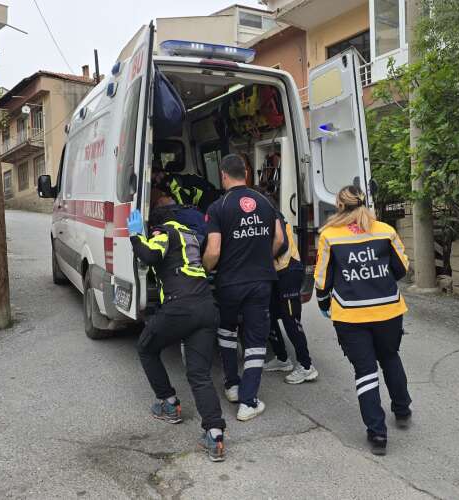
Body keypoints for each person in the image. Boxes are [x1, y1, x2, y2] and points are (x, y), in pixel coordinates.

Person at [314, 185, 412, 456]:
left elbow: (322, 280)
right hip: (389, 310)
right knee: (390, 357)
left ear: (339, 206)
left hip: (350, 314)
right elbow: (402, 268)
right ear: (364, 203)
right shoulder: (385, 230)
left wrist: (323, 304)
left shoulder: (329, 236)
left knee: (365, 370)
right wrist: (377, 279)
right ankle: (402, 410)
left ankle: (377, 434)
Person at [127, 206, 226, 462]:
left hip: (179, 307)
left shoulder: (164, 232)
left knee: (146, 348)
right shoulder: (191, 235)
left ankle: (168, 402)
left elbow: (150, 256)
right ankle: (214, 435)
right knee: (199, 374)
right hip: (206, 306)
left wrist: (136, 236)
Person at [203, 154, 284, 422]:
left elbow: (213, 250)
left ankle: (232, 386)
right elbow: (279, 239)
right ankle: (249, 402)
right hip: (260, 281)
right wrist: (262, 259)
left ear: (223, 175)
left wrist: (204, 270)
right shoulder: (265, 202)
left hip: (229, 282)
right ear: (246, 174)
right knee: (255, 338)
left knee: (227, 330)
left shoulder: (218, 207)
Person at [263, 206, 318, 385]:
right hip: (275, 273)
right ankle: (282, 358)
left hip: (288, 271)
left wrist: (262, 260)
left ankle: (306, 366)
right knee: (268, 316)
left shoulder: (271, 213)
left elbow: (281, 243)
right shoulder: (262, 214)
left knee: (290, 319)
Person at [153, 165, 220, 213]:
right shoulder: (170, 181)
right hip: (204, 197)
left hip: (206, 196)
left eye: (156, 176)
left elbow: (182, 203)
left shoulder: (173, 182)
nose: (156, 181)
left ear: (161, 173)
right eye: (154, 180)